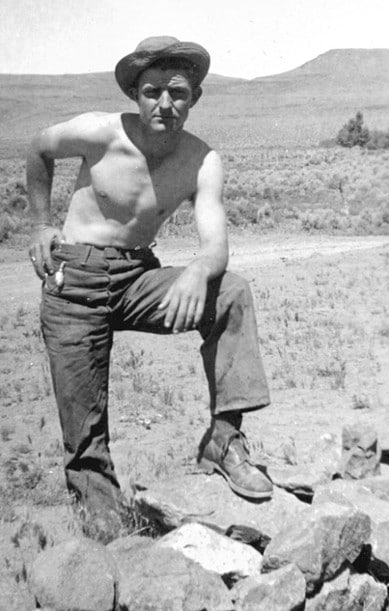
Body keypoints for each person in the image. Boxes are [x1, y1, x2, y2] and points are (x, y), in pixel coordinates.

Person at [27, 36, 273, 517]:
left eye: (178, 92)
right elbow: (38, 150)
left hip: (138, 278)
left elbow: (215, 241)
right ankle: (98, 502)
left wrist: (201, 269)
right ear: (134, 95)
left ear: (194, 98)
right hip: (74, 281)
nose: (165, 104)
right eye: (152, 91)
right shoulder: (99, 133)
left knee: (231, 293)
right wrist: (39, 222)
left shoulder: (202, 160)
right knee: (84, 429)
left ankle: (223, 442)